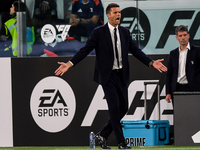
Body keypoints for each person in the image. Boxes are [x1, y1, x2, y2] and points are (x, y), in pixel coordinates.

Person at [55, 3, 167, 149]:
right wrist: (69, 64)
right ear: (108, 15)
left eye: (119, 12)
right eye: (115, 12)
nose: (118, 15)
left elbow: (136, 51)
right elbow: (85, 50)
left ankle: (102, 135)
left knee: (123, 108)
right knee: (114, 108)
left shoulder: (125, 32)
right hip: (108, 76)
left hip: (122, 75)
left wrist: (152, 63)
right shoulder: (98, 32)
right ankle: (121, 142)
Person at [165, 25, 200, 104]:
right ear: (177, 37)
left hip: (194, 89)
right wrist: (168, 92)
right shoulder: (173, 53)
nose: (183, 38)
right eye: (180, 36)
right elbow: (169, 74)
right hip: (177, 89)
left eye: (185, 35)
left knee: (195, 114)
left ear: (188, 36)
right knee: (179, 115)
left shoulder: (197, 51)